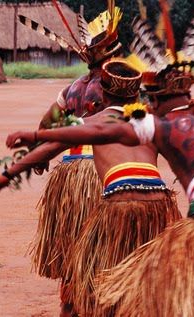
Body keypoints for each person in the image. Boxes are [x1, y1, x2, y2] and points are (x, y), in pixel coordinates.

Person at [6, 2, 194, 315]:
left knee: (83, 252)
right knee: (139, 256)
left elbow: (53, 126)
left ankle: (76, 299)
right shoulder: (136, 91)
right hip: (125, 175)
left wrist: (35, 153)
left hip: (76, 174)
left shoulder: (72, 90)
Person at [0, 60, 181, 316]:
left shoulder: (94, 120)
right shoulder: (149, 121)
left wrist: (7, 175)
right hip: (160, 202)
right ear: (136, 94)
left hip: (120, 200)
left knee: (90, 278)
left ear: (102, 92)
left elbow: (50, 147)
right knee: (150, 279)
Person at [15, 5, 124, 315]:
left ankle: (71, 303)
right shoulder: (120, 89)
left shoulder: (72, 89)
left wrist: (39, 159)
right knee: (104, 249)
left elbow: (45, 126)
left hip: (69, 176)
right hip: (105, 174)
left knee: (73, 249)